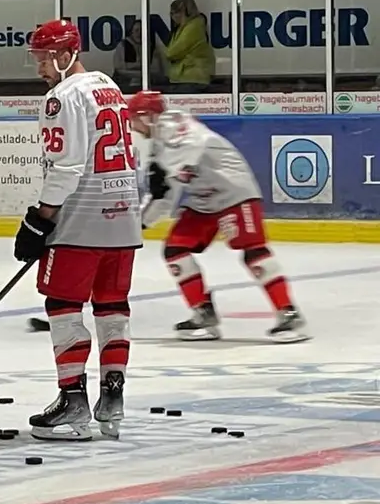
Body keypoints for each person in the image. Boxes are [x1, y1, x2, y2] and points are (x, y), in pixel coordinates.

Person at [14, 19, 143, 441]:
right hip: (124, 216)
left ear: (65, 54)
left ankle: (72, 402)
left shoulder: (61, 98)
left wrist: (41, 217)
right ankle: (113, 398)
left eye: (44, 59)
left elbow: (66, 166)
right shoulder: (109, 86)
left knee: (63, 305)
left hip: (81, 220)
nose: (40, 70)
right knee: (111, 306)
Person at [127, 89, 308, 343]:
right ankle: (203, 314)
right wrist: (137, 225)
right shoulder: (158, 145)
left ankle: (289, 313)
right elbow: (165, 195)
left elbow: (187, 152)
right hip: (205, 200)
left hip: (233, 190)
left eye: (134, 119)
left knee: (253, 251)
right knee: (176, 248)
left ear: (146, 117)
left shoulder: (174, 124)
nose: (132, 126)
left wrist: (164, 172)